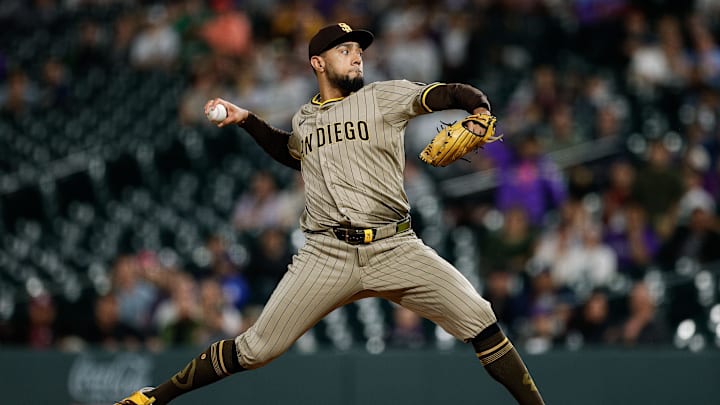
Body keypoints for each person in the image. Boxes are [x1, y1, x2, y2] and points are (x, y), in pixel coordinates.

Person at [116, 23, 545, 405]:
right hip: (327, 254)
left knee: (482, 319)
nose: (357, 55)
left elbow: (450, 92)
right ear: (318, 63)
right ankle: (154, 399)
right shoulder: (305, 119)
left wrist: (480, 110)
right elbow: (291, 152)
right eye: (345, 50)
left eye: (359, 50)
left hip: (395, 246)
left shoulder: (384, 96)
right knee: (255, 349)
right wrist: (246, 119)